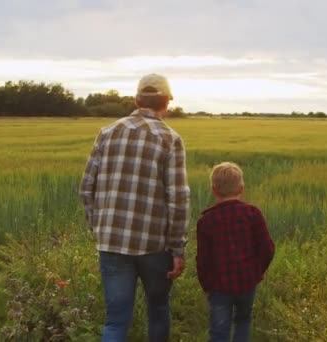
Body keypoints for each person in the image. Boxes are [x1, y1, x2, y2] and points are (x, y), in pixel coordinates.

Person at [80, 73, 190, 342]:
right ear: (166, 103)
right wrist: (177, 248)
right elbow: (178, 198)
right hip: (155, 245)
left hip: (112, 243)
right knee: (158, 308)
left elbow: (86, 188)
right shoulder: (170, 139)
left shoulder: (107, 133)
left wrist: (100, 229)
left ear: (136, 99)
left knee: (116, 321)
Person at [196, 162, 275, 342]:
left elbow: (203, 260)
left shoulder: (206, 221)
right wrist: (256, 272)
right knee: (243, 321)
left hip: (218, 286)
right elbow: (267, 249)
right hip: (247, 282)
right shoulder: (253, 214)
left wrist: (206, 285)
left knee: (219, 330)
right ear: (241, 188)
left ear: (214, 190)